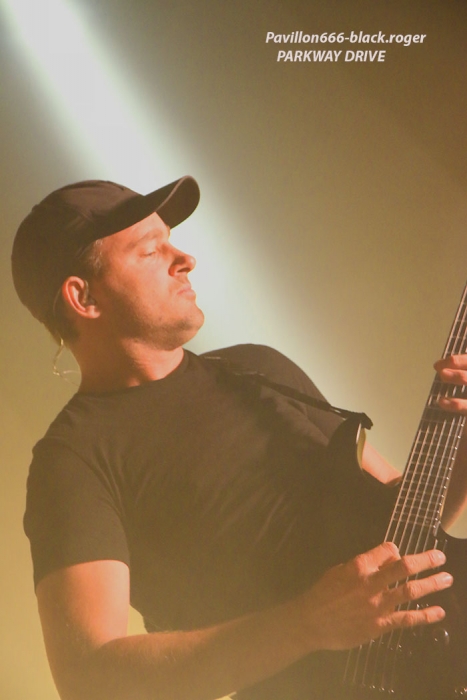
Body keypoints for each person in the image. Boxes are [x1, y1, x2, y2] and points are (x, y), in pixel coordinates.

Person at [11, 176, 467, 700]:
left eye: (171, 241)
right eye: (151, 250)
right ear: (83, 296)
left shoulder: (259, 367)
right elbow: (89, 676)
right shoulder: (73, 459)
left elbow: (411, 526)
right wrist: (307, 624)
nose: (185, 259)